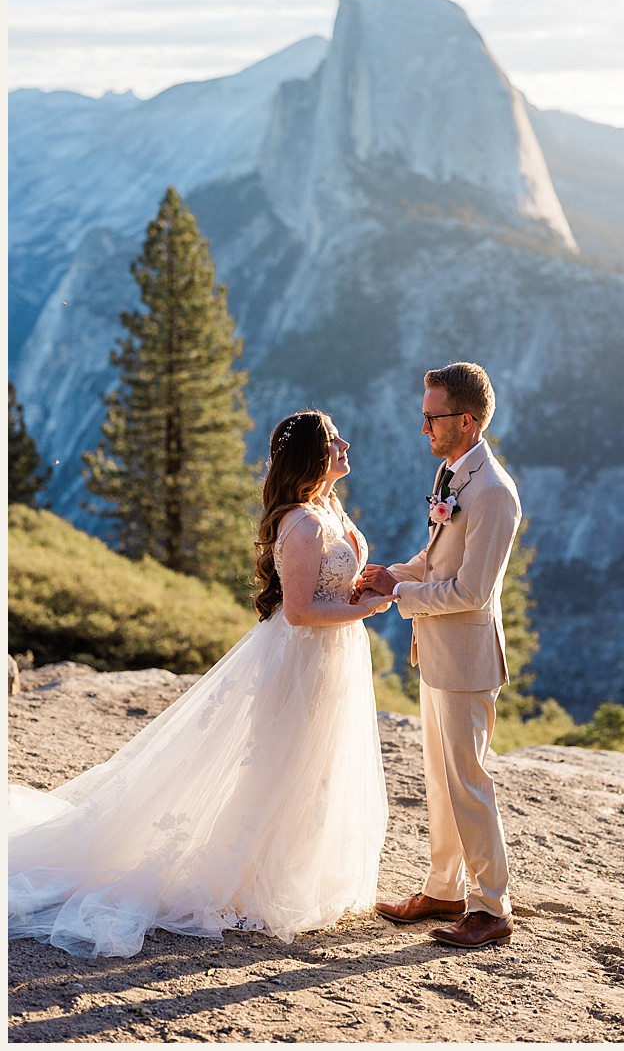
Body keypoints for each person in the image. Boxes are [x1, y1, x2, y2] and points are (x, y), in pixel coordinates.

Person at [10, 410, 394, 958]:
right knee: (285, 763)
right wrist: (370, 607)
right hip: (303, 659)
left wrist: (363, 587)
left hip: (333, 659)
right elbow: (302, 612)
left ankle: (291, 871)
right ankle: (255, 882)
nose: (346, 444)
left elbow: (329, 590)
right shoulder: (304, 525)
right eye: (335, 440)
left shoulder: (326, 509)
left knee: (319, 766)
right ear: (312, 454)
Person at [359, 362, 525, 950]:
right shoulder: (452, 474)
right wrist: (388, 576)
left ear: (467, 419)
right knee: (439, 779)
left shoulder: (493, 494)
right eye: (423, 414)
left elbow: (470, 592)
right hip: (436, 654)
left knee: (470, 782)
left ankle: (490, 907)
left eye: (432, 416)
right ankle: (444, 889)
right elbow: (436, 564)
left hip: (468, 659)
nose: (423, 425)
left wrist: (400, 594)